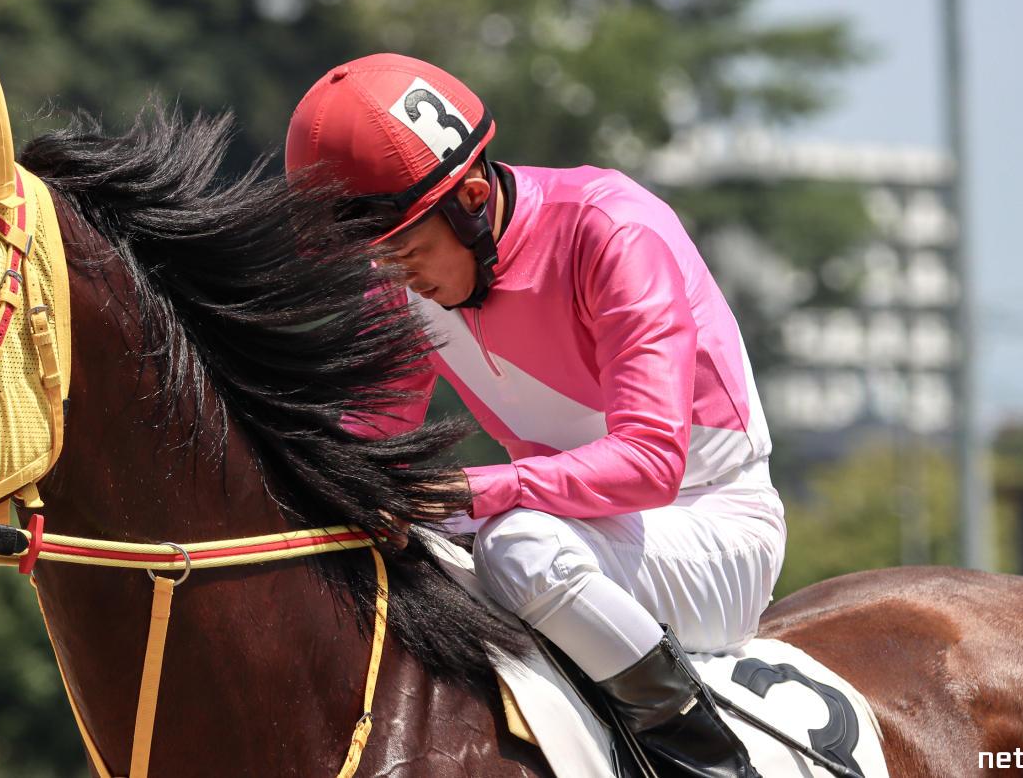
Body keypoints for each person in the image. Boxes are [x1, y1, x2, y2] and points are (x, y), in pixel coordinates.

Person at [285, 53, 786, 778]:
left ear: (473, 198)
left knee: (519, 545)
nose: (397, 280)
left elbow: (650, 462)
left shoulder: (613, 229)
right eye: (377, 262)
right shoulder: (402, 277)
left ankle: (709, 762)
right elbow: (363, 447)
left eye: (407, 252)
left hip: (713, 527)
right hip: (569, 532)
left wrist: (468, 492)